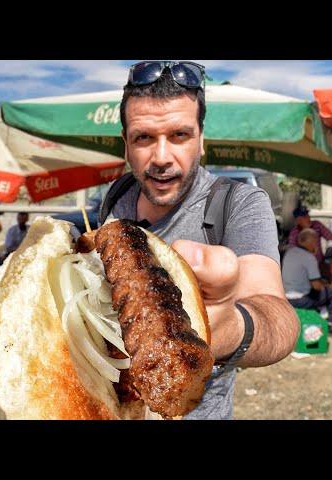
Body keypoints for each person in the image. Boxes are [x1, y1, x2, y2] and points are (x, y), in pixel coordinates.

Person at [99, 61, 299, 420]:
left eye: (179, 136)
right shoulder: (117, 195)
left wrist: (228, 327)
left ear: (201, 140)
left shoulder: (238, 203)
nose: (161, 158)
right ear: (126, 145)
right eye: (144, 138)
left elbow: (279, 320)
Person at [282, 228, 332, 334]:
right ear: (311, 242)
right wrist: (326, 285)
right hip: (301, 300)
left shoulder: (289, 252)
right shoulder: (309, 258)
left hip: (286, 297)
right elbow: (316, 286)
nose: (317, 245)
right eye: (316, 242)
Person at [288, 205, 332, 282]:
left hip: (319, 263)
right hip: (303, 267)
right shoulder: (294, 233)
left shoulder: (317, 225)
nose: (308, 218)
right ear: (298, 220)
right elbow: (293, 253)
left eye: (308, 215)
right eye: (304, 217)